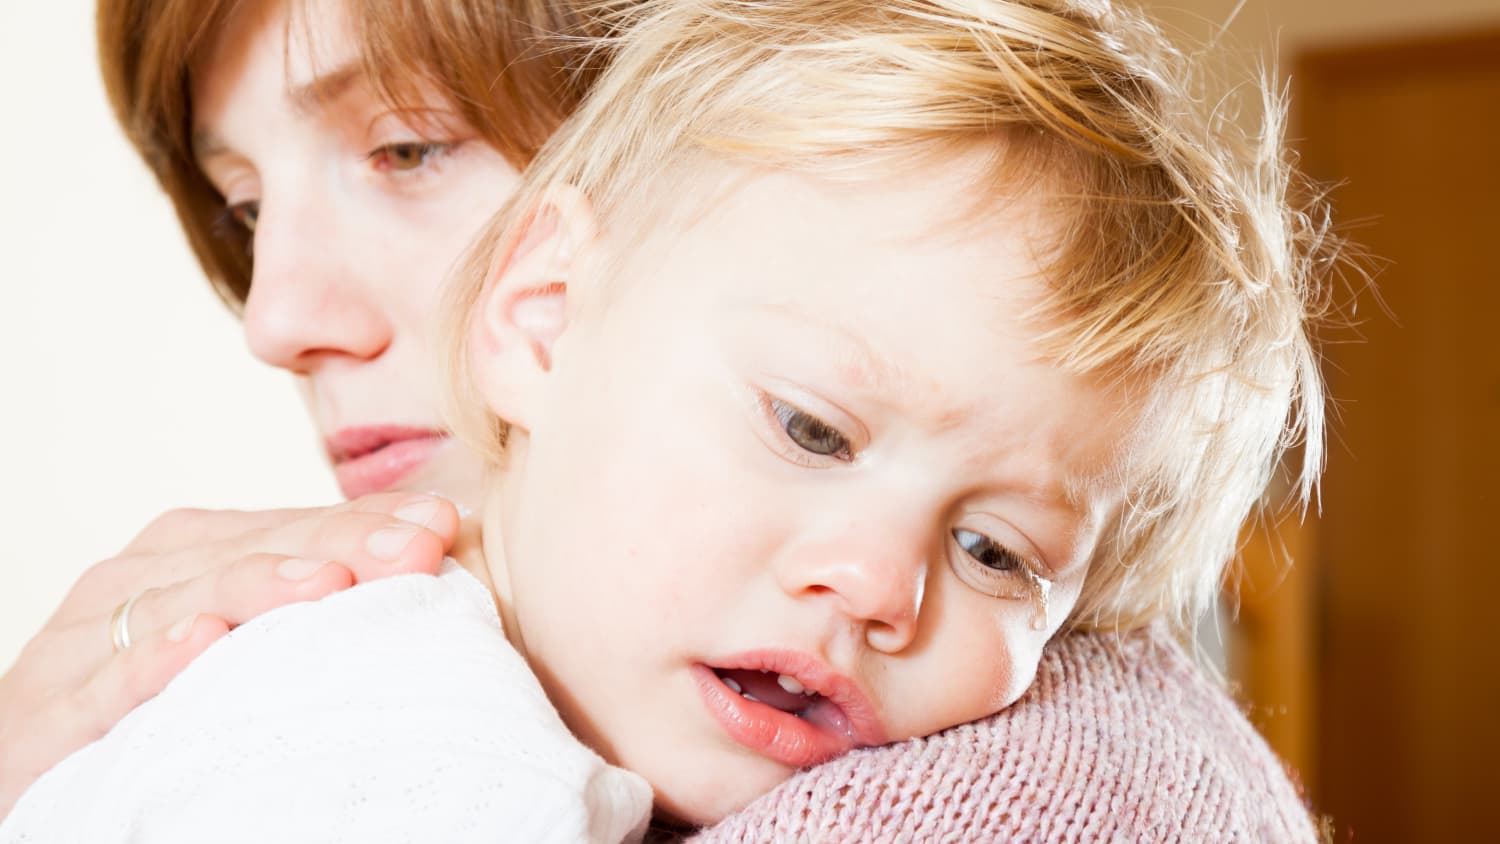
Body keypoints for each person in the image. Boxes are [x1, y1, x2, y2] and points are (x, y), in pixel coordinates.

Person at [2, 0, 1332, 840]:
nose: (272, 314)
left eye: (409, 146)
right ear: (544, 309)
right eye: (240, 204)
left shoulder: (1051, 780)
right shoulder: (380, 717)